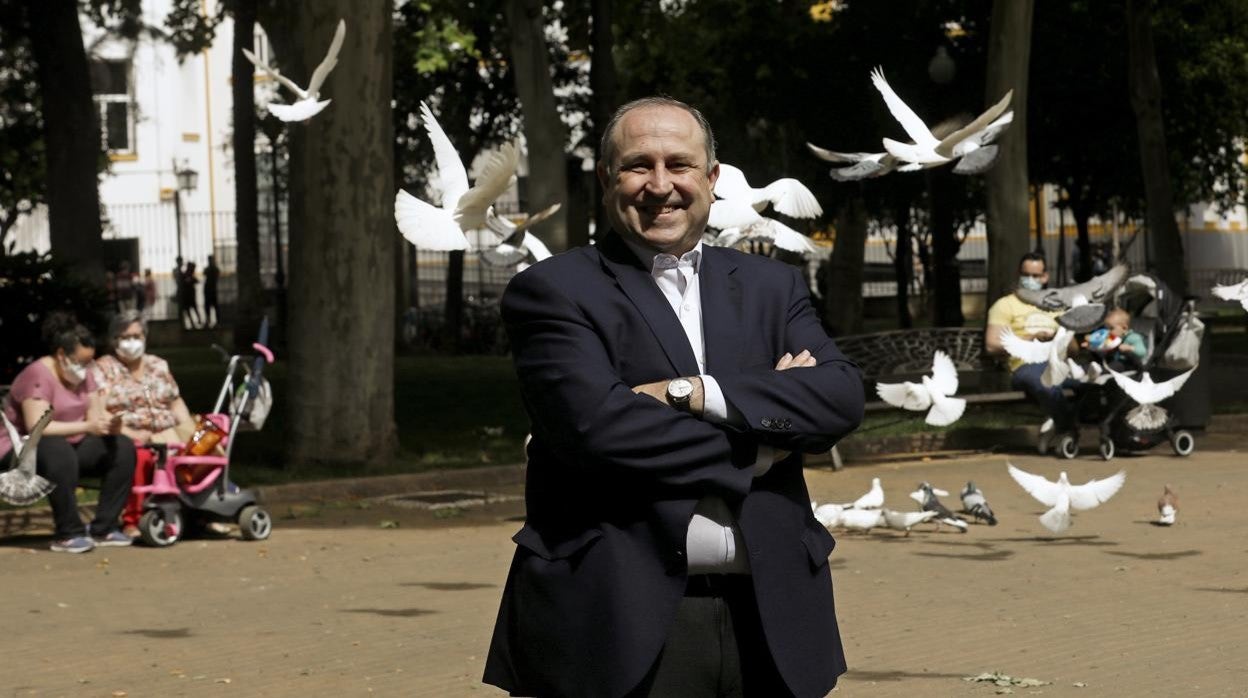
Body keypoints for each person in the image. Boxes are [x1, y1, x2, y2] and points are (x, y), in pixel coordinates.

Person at [483, 97, 864, 698]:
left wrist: (693, 394)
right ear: (608, 179)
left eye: (680, 165)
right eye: (639, 165)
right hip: (615, 623)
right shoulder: (553, 291)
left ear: (712, 180)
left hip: (772, 621)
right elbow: (599, 431)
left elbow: (840, 398)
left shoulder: (771, 285)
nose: (661, 185)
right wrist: (767, 442)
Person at [0, 313, 135, 552]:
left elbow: (94, 416)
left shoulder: (85, 375)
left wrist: (107, 425)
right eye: (80, 362)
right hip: (21, 449)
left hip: (69, 446)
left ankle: (104, 527)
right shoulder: (38, 375)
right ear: (62, 355)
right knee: (57, 450)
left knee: (122, 447)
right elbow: (37, 427)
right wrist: (87, 427)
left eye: (88, 363)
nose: (85, 369)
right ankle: (68, 532)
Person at [93, 310, 197, 539]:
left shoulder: (158, 365)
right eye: (125, 336)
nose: (132, 342)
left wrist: (190, 429)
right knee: (138, 455)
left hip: (166, 430)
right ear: (114, 340)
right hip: (128, 433)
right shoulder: (103, 368)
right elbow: (100, 410)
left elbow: (175, 401)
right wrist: (132, 433)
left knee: (201, 449)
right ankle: (134, 519)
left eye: (137, 336)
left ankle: (201, 514)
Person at [984, 252, 1078, 449]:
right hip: (1026, 366)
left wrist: (1060, 337)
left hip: (1060, 363)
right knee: (1046, 383)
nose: (1030, 280)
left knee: (1095, 383)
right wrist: (1031, 338)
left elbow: (1075, 350)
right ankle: (1067, 430)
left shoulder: (1057, 306)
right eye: (1026, 275)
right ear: (1018, 275)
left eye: (1035, 276)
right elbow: (992, 345)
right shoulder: (1005, 305)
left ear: (1045, 277)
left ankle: (1059, 422)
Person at [180, 260, 202, 329]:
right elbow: (195, 281)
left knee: (191, 309)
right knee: (190, 309)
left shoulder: (189, 275)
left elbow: (197, 281)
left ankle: (198, 321)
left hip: (189, 295)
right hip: (187, 295)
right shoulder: (186, 275)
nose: (193, 270)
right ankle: (195, 322)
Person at [203, 255, 220, 328]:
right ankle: (208, 321)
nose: (210, 261)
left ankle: (217, 322)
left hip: (212, 289)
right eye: (209, 260)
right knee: (208, 307)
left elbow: (216, 276)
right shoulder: (209, 269)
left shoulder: (215, 269)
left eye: (211, 260)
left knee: (215, 306)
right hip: (208, 289)